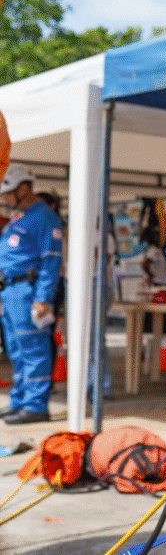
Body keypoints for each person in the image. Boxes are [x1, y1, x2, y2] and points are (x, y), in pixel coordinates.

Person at [0, 165, 63, 425]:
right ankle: (20, 401)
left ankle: (35, 405)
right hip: (11, 291)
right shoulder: (21, 216)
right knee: (16, 349)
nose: (4, 199)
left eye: (8, 193)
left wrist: (42, 298)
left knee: (33, 348)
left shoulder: (44, 217)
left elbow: (51, 261)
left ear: (24, 188)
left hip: (28, 292)